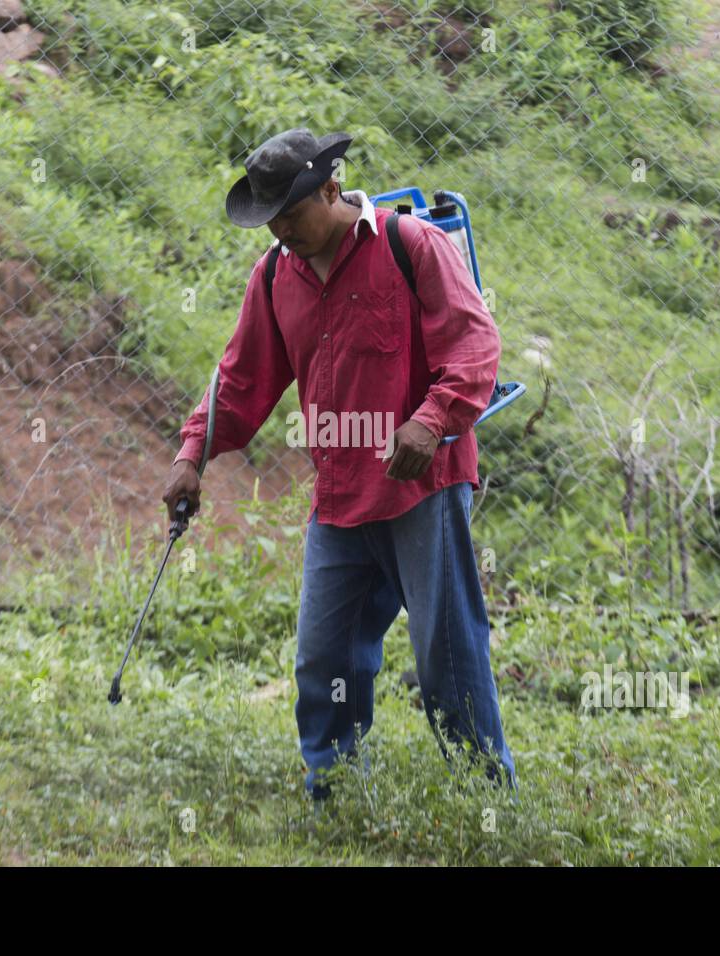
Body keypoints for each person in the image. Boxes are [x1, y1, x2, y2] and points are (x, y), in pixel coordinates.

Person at [162, 127, 516, 802]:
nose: (281, 233)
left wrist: (430, 419)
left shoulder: (414, 247)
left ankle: (487, 798)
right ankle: (335, 792)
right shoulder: (273, 277)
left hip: (424, 489)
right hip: (341, 495)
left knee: (446, 657)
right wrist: (192, 453)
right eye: (270, 222)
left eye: (291, 216)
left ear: (332, 189)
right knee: (326, 657)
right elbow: (239, 382)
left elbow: (475, 348)